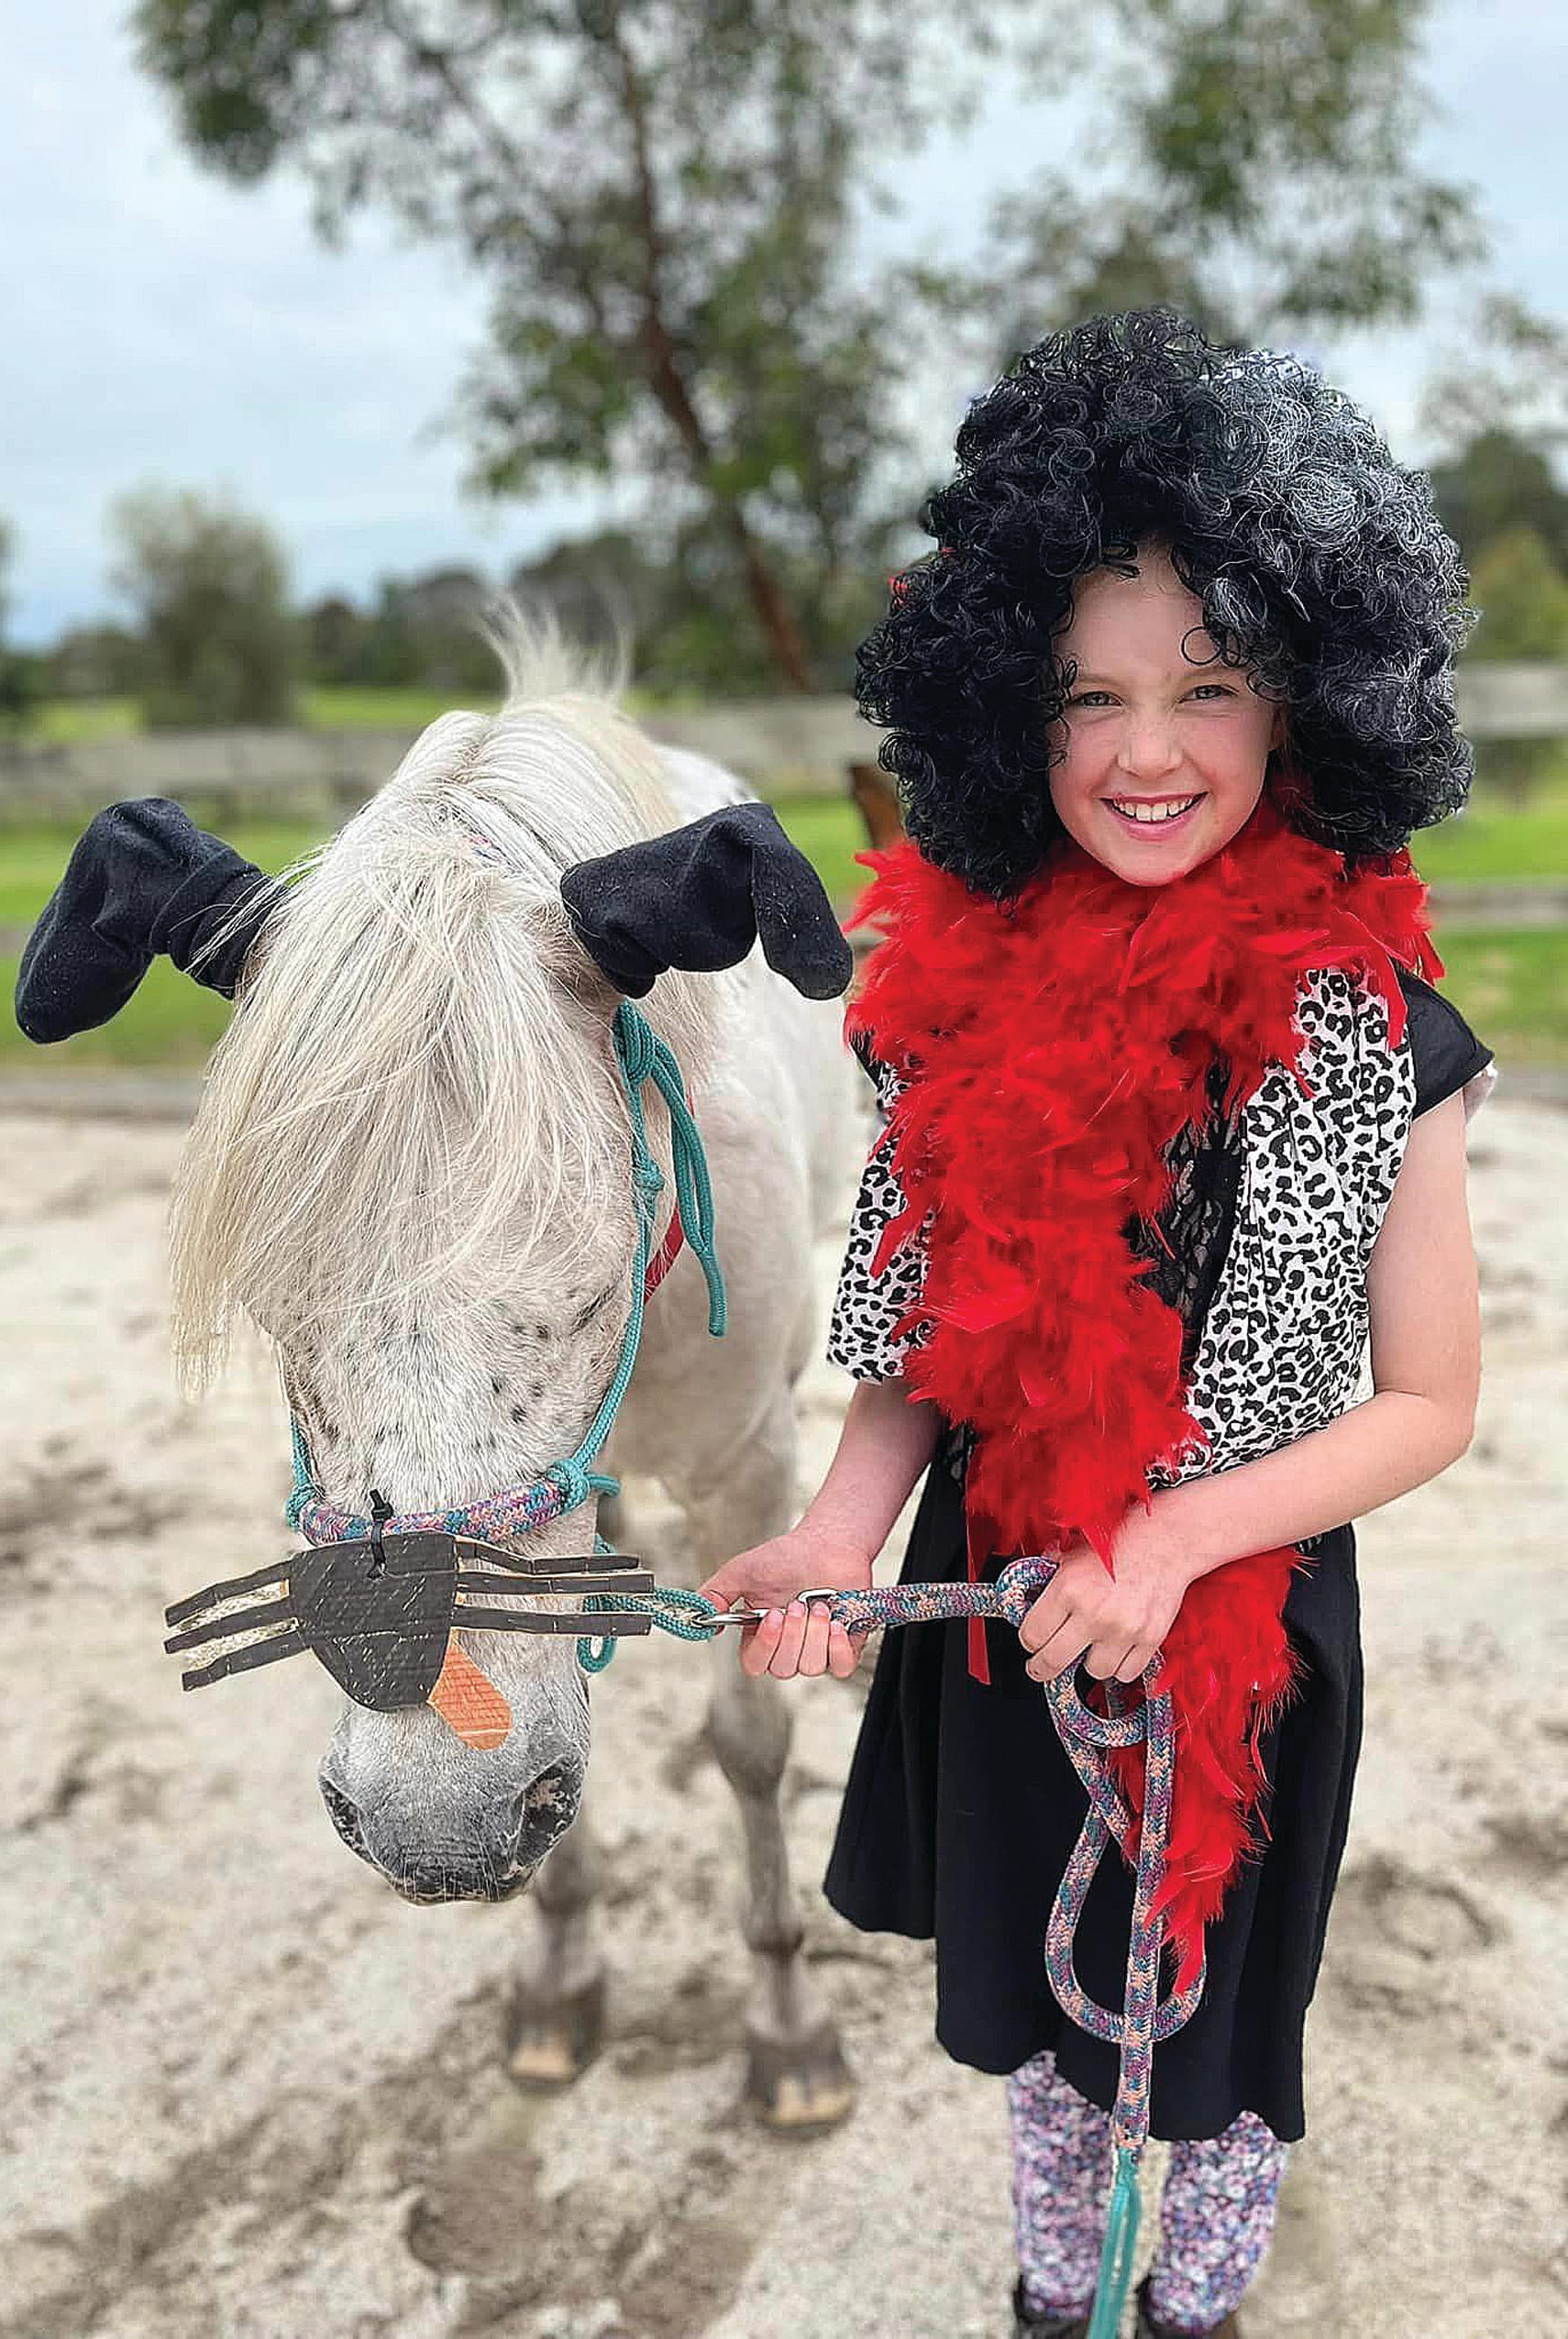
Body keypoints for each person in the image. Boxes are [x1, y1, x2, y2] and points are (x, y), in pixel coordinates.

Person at [700, 308, 1495, 2339]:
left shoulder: (1377, 1036)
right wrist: (838, 1535)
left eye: (1207, 686)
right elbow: (915, 1351)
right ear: (1004, 720)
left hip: (1237, 1619)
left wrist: (1174, 1539)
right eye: (1089, 697)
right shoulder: (949, 1013)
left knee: (1212, 2041)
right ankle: (1057, 2295)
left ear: (1308, 699)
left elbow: (1427, 1403)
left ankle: (1191, 2307)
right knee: (1051, 2029)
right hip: (1008, 1609)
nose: (1147, 751)